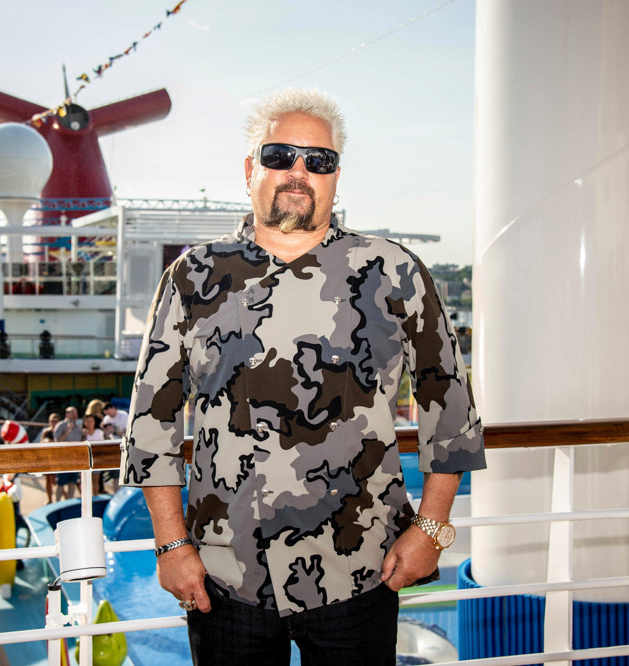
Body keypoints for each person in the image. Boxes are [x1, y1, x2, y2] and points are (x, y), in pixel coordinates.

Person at [119, 88, 486, 665]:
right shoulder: (193, 275)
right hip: (224, 577)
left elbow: (451, 407)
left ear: (336, 177)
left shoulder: (393, 272)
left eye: (319, 160)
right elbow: (152, 422)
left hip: (361, 567)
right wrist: (170, 544)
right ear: (249, 170)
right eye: (279, 155)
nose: (299, 172)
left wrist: (432, 529)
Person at [38, 412, 62, 503]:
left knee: (55, 481)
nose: (53, 423)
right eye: (52, 421)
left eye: (55, 421)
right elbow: (41, 443)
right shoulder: (46, 432)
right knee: (48, 479)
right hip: (48, 458)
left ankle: (63, 495)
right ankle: (50, 499)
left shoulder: (59, 432)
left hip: (57, 458)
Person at [81, 414, 105, 494]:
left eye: (91, 421)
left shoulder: (99, 432)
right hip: (85, 461)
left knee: (95, 480)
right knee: (86, 482)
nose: (89, 423)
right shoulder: (82, 433)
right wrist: (83, 436)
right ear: (85, 423)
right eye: (88, 421)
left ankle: (95, 497)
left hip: (96, 459)